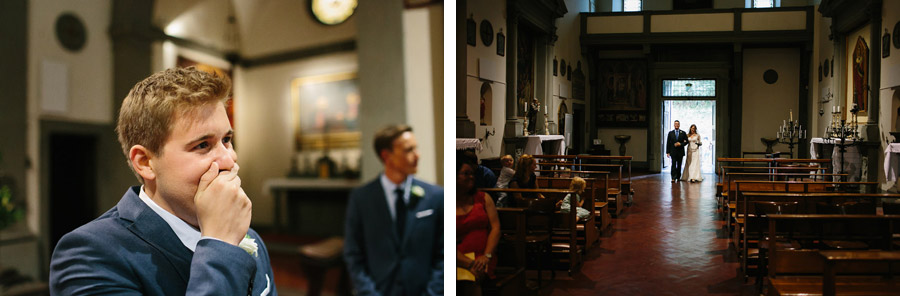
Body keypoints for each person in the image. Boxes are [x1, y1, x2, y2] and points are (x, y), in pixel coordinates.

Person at [49, 67, 277, 295]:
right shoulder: (90, 254)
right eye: (202, 145)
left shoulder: (247, 236)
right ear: (146, 162)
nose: (229, 160)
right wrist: (220, 244)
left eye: (226, 139)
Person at [343, 124, 443, 296]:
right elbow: (354, 254)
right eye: (408, 150)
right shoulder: (361, 198)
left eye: (416, 148)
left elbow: (443, 254)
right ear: (386, 156)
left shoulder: (435, 196)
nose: (417, 155)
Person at [456, 156, 500, 296]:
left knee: (473, 279)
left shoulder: (483, 198)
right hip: (458, 258)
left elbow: (495, 228)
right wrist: (468, 263)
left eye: (472, 174)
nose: (471, 177)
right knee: (468, 279)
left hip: (484, 256)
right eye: (466, 174)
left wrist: (486, 256)